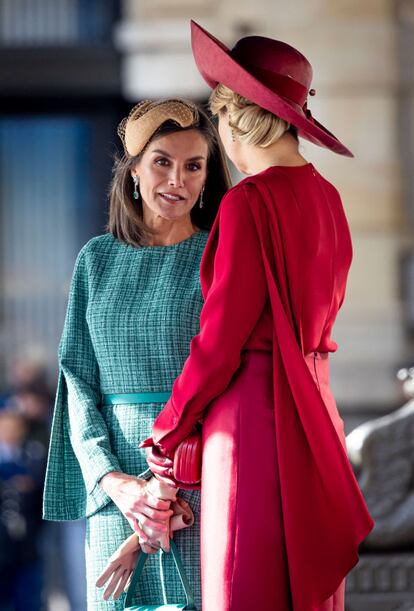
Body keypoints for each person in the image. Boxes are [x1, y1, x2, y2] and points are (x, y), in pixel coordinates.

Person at [135, 22, 374, 611]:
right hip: (316, 412)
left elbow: (220, 341)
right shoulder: (328, 199)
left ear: (234, 119)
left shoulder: (249, 202)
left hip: (252, 425)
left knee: (245, 583)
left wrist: (168, 426)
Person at [42, 97, 231, 610]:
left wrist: (163, 488)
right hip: (113, 493)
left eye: (194, 166)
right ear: (133, 173)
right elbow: (76, 379)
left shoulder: (218, 255)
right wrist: (112, 481)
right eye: (162, 162)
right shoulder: (95, 260)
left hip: (194, 482)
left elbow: (224, 373)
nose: (178, 179)